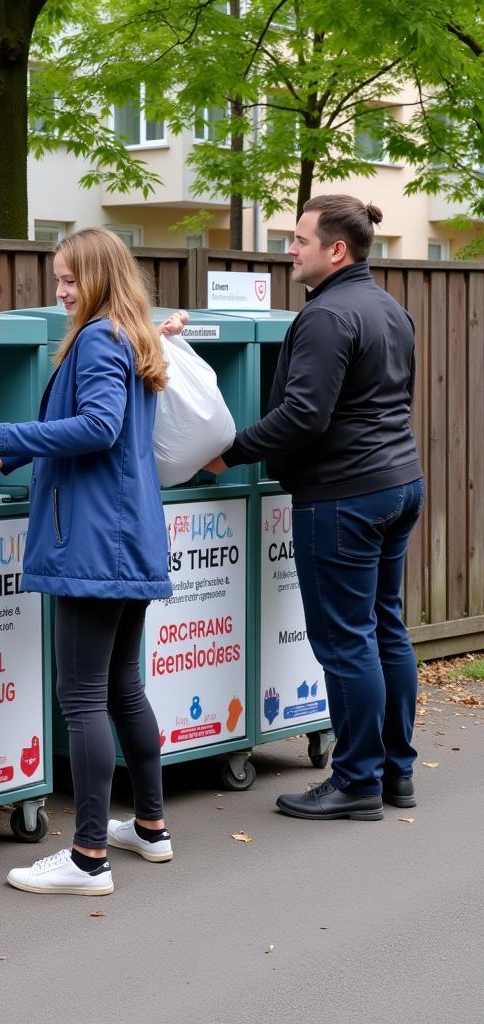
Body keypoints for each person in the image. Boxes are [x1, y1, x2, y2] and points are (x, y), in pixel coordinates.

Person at [0, 227, 185, 895]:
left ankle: (88, 857)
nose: (60, 291)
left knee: (83, 695)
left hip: (94, 543)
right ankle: (149, 826)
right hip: (128, 535)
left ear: (101, 278)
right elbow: (101, 434)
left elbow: (98, 426)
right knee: (122, 686)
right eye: (56, 278)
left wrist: (2, 433)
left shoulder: (95, 339)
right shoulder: (129, 335)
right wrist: (16, 456)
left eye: (70, 279)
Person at [205, 195, 424, 821]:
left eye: (299, 240)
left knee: (345, 640)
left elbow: (305, 414)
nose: (289, 250)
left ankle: (356, 780)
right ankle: (395, 773)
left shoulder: (328, 316)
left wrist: (232, 452)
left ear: (336, 249)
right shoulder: (389, 309)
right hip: (398, 483)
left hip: (344, 497)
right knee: (385, 628)